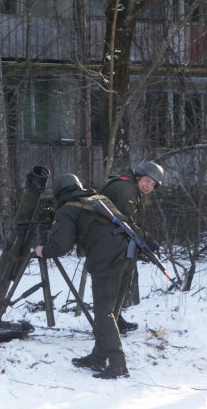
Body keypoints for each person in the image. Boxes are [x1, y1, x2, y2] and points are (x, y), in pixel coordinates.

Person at [34, 173, 133, 379]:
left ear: (59, 192)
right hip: (129, 254)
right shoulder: (99, 199)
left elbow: (61, 245)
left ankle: (118, 364)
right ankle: (99, 356)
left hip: (106, 259)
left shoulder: (67, 209)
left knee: (104, 313)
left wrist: (44, 250)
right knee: (111, 313)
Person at [99, 161, 164, 334]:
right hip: (104, 243)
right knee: (113, 283)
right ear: (139, 176)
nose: (149, 186)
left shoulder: (132, 189)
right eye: (147, 181)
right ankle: (105, 326)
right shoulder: (125, 190)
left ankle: (115, 318)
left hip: (114, 242)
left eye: (153, 184)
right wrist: (148, 240)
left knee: (125, 277)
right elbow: (126, 224)